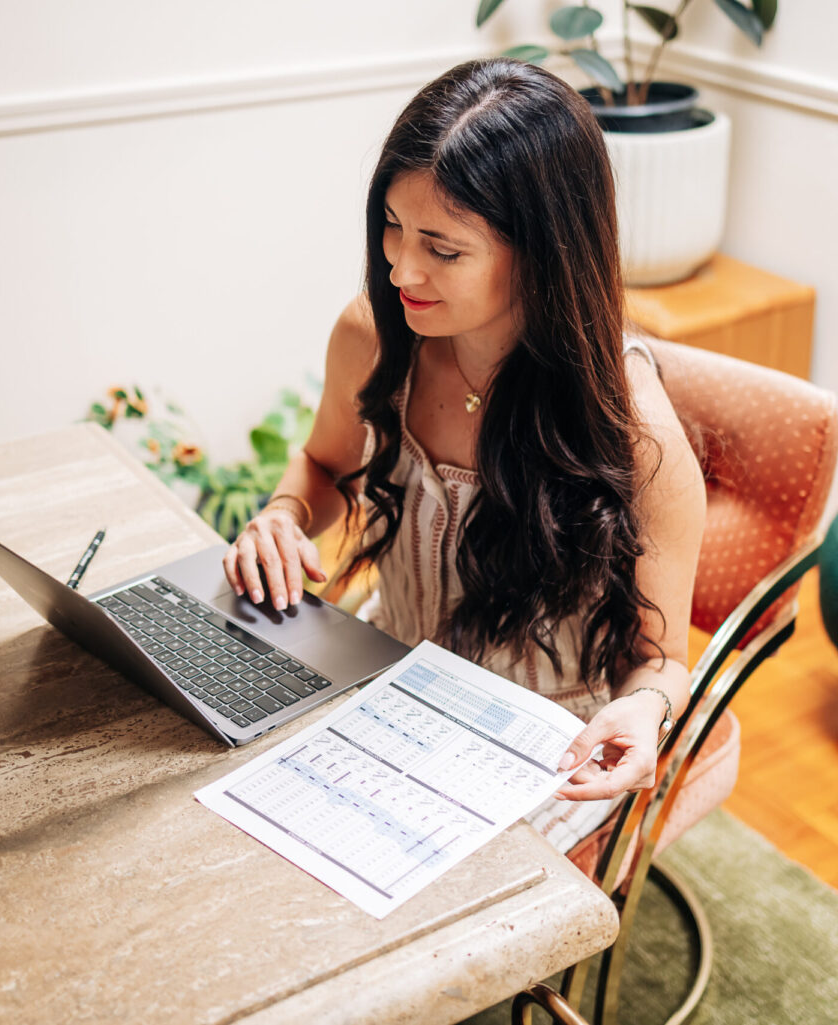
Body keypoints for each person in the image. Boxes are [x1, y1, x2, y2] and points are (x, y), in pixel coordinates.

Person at [221, 57, 709, 851]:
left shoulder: (631, 427)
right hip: (392, 674)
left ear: (542, 252)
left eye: (442, 249)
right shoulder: (374, 337)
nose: (400, 268)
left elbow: (662, 659)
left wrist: (646, 709)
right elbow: (323, 468)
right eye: (391, 225)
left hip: (544, 738)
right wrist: (282, 514)